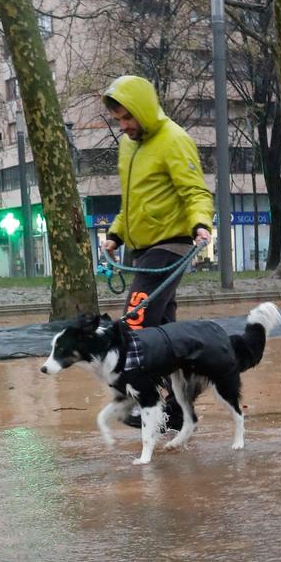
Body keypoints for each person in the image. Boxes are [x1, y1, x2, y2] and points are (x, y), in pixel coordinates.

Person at [103, 75, 214, 429]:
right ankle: (182, 401)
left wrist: (201, 224)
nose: (124, 126)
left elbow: (196, 191)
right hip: (142, 249)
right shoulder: (128, 147)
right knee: (164, 330)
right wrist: (116, 235)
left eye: (128, 118)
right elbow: (131, 202)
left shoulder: (175, 140)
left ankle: (136, 401)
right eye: (119, 120)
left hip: (170, 245)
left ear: (143, 110)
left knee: (133, 323)